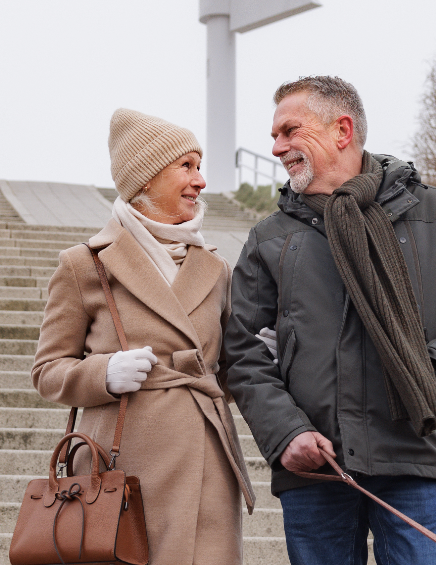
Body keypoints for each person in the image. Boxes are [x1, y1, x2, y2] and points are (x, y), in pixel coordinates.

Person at [224, 76, 436, 565]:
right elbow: (242, 349)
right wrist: (285, 433)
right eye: (275, 135)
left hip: (414, 456)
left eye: (289, 131)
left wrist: (432, 368)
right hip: (315, 466)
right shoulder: (269, 238)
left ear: (341, 130)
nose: (276, 147)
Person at [32, 108, 255, 565]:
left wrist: (260, 352)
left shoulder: (215, 268)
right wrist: (104, 374)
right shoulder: (84, 263)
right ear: (147, 178)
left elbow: (227, 374)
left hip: (205, 458)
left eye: (199, 166)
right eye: (186, 167)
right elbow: (47, 370)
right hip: (119, 468)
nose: (200, 181)